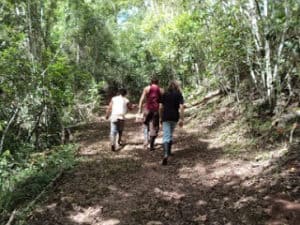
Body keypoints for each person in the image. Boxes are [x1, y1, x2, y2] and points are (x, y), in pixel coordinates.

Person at [159, 80, 184, 165]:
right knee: (170, 134)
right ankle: (168, 152)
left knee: (166, 135)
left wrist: (160, 117)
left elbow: (161, 107)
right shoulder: (179, 94)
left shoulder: (165, 94)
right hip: (174, 117)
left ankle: (166, 154)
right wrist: (181, 119)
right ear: (177, 86)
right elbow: (181, 107)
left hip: (166, 116)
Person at [138, 77, 164, 150]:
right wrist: (162, 113)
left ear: (151, 82)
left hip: (147, 109)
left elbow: (142, 99)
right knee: (155, 126)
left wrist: (139, 109)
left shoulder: (146, 88)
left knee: (146, 124)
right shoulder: (161, 90)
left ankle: (146, 141)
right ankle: (151, 144)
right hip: (156, 110)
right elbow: (162, 103)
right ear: (158, 82)